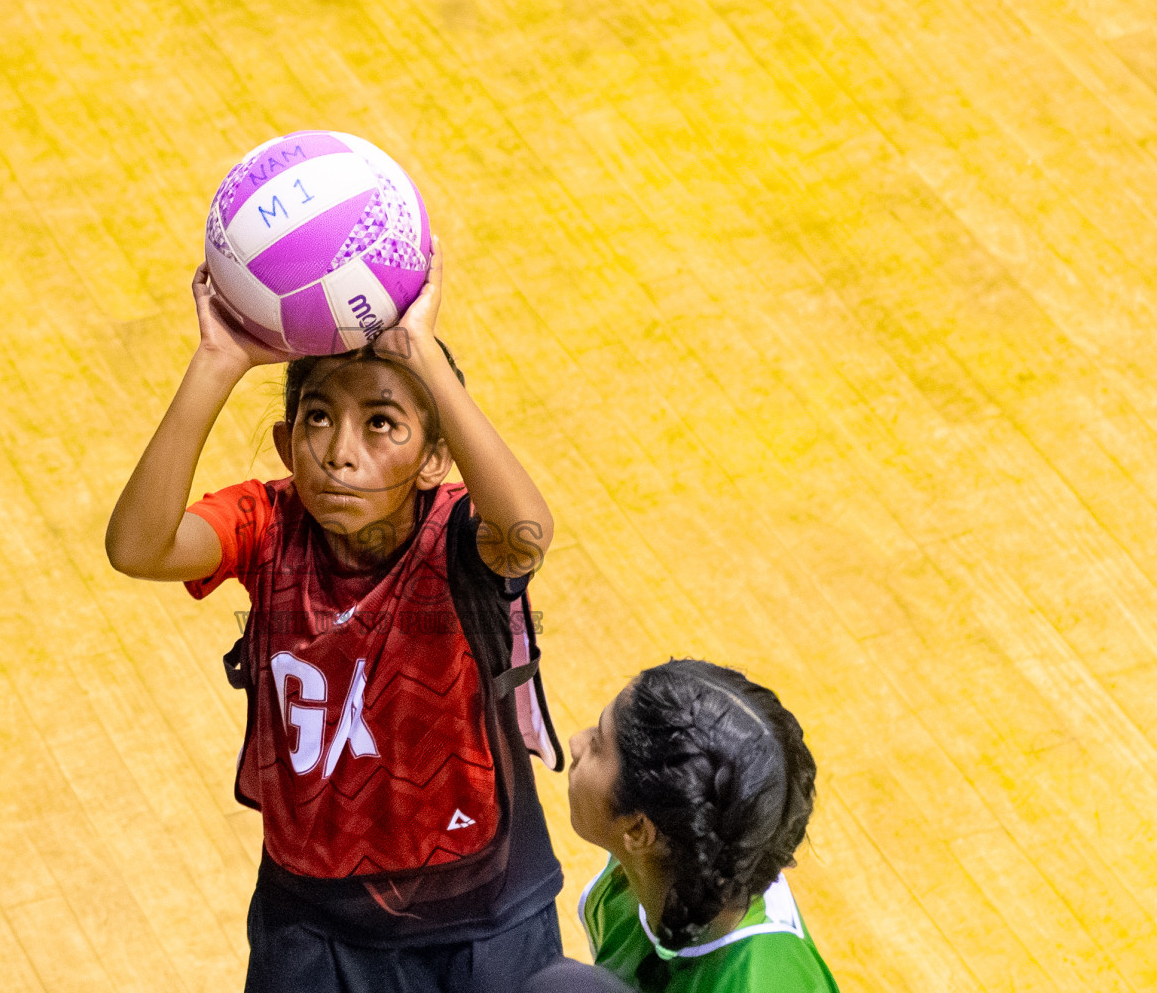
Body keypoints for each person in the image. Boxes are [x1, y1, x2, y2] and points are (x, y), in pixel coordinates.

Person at [105, 241, 566, 993]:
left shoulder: (459, 537)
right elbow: (136, 546)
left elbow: (528, 533)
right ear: (288, 444)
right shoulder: (265, 521)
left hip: (484, 914)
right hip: (313, 921)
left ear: (434, 459)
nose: (340, 453)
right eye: (317, 418)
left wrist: (422, 351)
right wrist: (217, 361)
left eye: (381, 423)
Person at [563, 659, 839, 992]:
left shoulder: (756, 982)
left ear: (638, 830)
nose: (576, 742)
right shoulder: (669, 861)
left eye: (597, 744)